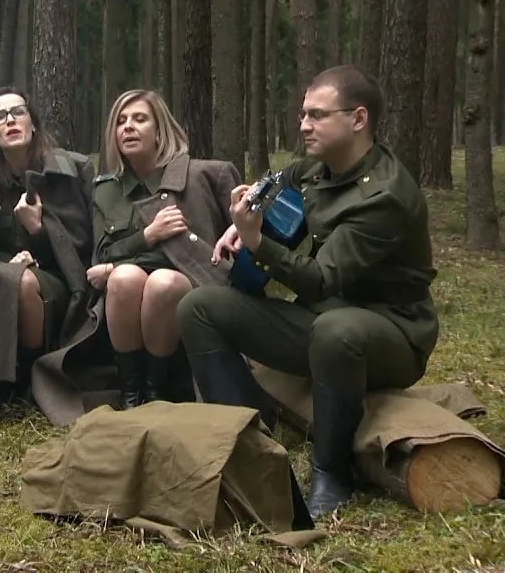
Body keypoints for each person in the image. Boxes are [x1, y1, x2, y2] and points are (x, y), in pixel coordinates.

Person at [177, 65, 438, 518]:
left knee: (337, 331)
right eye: (302, 114)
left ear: (358, 119)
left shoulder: (384, 196)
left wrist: (257, 241)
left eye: (317, 115)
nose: (303, 125)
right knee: (198, 307)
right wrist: (249, 211)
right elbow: (279, 179)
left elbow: (322, 278)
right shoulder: (318, 168)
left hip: (390, 336)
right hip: (321, 323)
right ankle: (248, 441)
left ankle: (332, 471)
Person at [0, 87, 99, 421]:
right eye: (0, 117)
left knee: (22, 282)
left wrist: (38, 232)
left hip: (57, 281)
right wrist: (3, 264)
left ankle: (29, 380)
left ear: (33, 123)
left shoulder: (73, 170)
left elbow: (84, 246)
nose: (10, 120)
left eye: (18, 112)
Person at [87, 90, 240, 410]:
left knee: (162, 282)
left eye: (139, 119)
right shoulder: (106, 190)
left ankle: (158, 389)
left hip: (192, 293)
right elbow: (104, 254)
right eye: (121, 121)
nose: (128, 127)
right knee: (125, 278)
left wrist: (115, 266)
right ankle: (132, 392)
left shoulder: (205, 176)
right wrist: (148, 236)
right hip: (123, 302)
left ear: (160, 131)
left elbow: (213, 253)